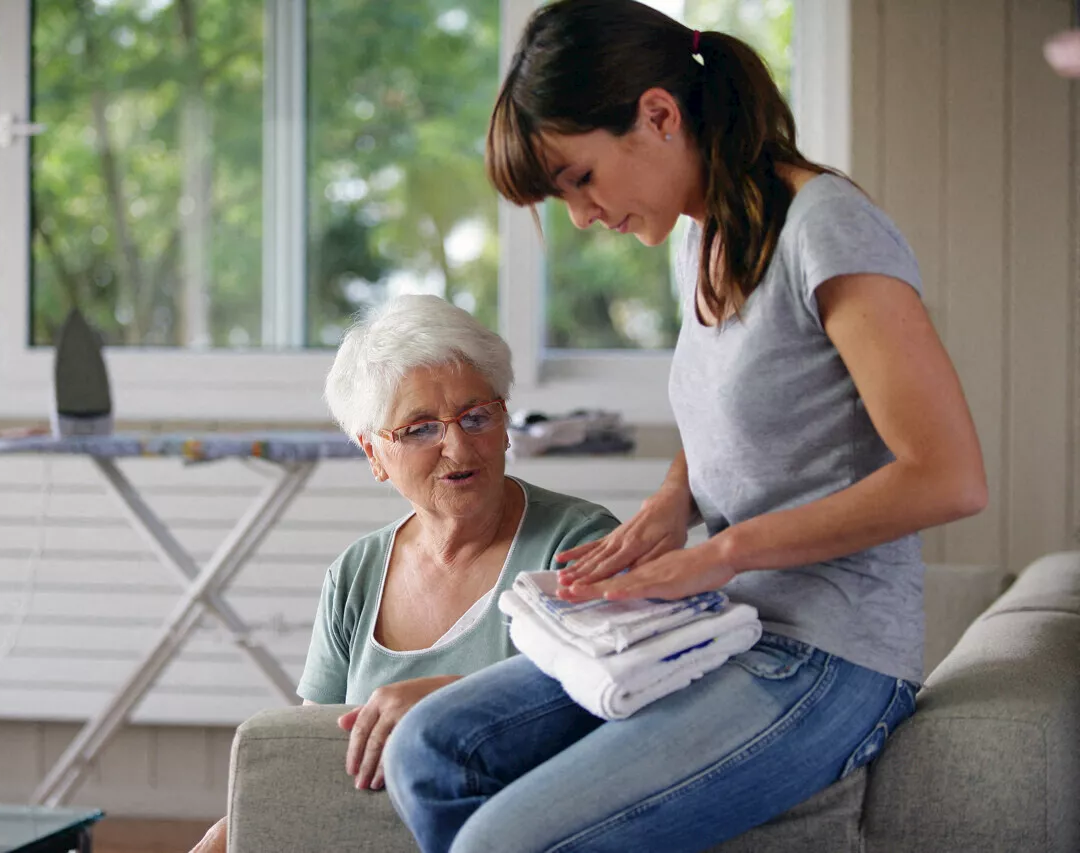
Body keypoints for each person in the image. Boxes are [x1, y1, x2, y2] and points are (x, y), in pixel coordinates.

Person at [383, 2, 988, 852]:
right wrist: (672, 503)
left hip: (830, 657)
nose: (583, 216)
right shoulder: (697, 237)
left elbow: (948, 474)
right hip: (720, 622)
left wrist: (721, 551)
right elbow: (742, 410)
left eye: (579, 178)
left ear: (658, 115)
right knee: (431, 750)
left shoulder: (826, 226)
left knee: (502, 842)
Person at [188, 293, 619, 853]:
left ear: (505, 420)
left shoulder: (580, 545)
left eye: (476, 416)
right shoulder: (356, 574)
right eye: (420, 429)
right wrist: (237, 826)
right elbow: (315, 748)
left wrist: (454, 708)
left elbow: (617, 719)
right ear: (373, 454)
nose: (459, 446)